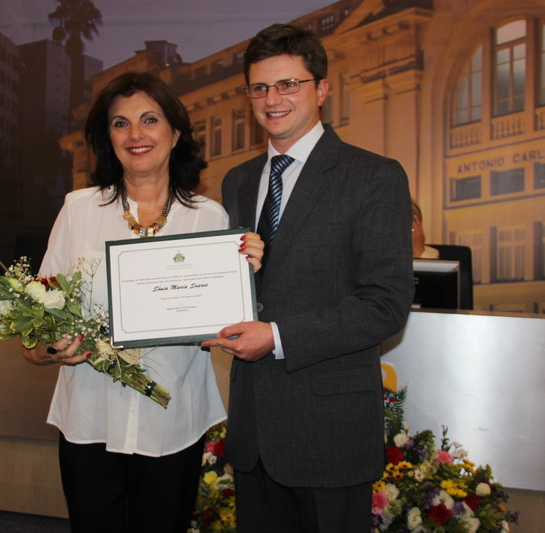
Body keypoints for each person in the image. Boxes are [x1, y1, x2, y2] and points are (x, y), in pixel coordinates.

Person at [21, 72, 263, 533]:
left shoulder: (209, 219)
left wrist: (248, 275)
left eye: (149, 120)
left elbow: (231, 322)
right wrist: (48, 350)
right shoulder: (78, 209)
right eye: (120, 123)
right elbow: (37, 328)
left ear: (174, 132)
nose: (135, 135)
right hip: (90, 418)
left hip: (172, 421)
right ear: (106, 138)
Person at [201, 23, 415, 533]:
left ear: (321, 89)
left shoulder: (375, 176)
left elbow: (385, 304)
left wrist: (276, 337)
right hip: (254, 431)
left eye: (288, 84)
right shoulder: (238, 181)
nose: (272, 99)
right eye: (259, 87)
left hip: (329, 433)